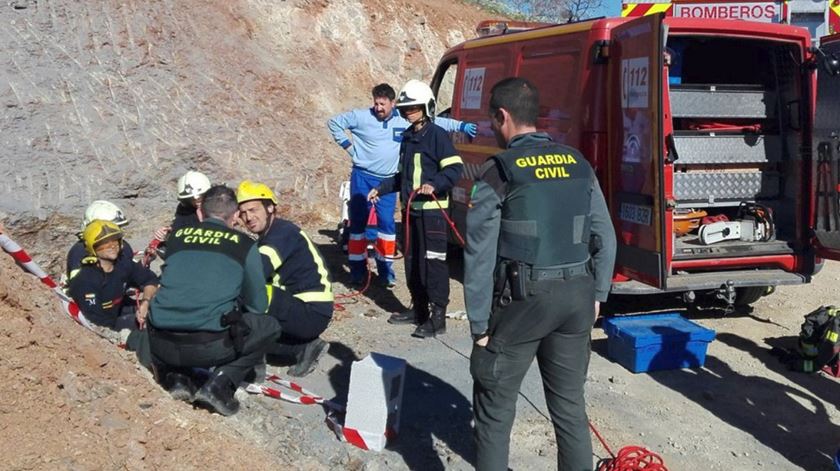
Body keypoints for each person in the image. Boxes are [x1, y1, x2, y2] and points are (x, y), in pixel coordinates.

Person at [463, 77, 617, 471]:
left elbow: (479, 255)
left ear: (503, 116)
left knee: (495, 412)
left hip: (522, 303)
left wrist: (479, 326)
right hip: (578, 298)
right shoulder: (578, 162)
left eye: (493, 122)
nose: (494, 131)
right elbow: (606, 237)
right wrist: (599, 294)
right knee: (569, 408)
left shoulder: (499, 170)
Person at [147, 185, 280, 416]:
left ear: (200, 213)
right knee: (269, 326)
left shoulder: (176, 238)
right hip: (209, 346)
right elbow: (258, 305)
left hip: (160, 342)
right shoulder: (244, 245)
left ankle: (179, 378)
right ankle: (219, 385)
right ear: (236, 216)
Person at [328, 83, 477, 287]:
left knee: (387, 227)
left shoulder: (404, 118)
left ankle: (386, 271)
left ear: (392, 103)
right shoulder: (360, 117)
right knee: (358, 226)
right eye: (376, 103)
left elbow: (435, 121)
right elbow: (334, 123)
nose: (378, 107)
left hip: (389, 181)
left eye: (382, 104)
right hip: (362, 178)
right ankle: (357, 271)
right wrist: (351, 149)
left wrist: (460, 126)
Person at [368, 79, 464, 338]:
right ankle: (419, 309)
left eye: (415, 108)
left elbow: (455, 168)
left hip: (433, 212)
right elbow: (403, 176)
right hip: (411, 212)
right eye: (406, 109)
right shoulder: (408, 137)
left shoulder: (437, 136)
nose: (409, 113)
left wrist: (435, 184)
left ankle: (438, 317)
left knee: (433, 264)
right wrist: (382, 187)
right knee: (412, 262)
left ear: (427, 107)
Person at [237, 180, 333, 377]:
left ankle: (257, 360)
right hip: (299, 307)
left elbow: (258, 271)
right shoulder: (270, 235)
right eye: (243, 213)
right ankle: (302, 348)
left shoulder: (282, 233)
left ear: (270, 207)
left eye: (253, 210)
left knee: (251, 295)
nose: (248, 217)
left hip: (310, 312)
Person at [67, 219, 158, 331]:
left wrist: (145, 303)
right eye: (104, 243)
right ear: (92, 247)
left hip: (117, 315)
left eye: (115, 241)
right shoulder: (86, 281)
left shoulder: (123, 264)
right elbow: (97, 325)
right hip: (104, 328)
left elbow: (151, 280)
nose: (112, 246)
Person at [66, 200, 134, 281]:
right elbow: (80, 286)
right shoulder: (80, 252)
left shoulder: (124, 247)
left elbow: (135, 273)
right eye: (112, 229)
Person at [152, 170, 212, 244]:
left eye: (200, 197)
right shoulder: (184, 210)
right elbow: (178, 229)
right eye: (191, 199)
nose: (196, 201)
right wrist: (166, 234)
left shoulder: (220, 207)